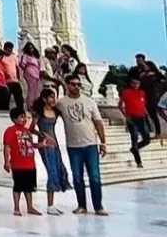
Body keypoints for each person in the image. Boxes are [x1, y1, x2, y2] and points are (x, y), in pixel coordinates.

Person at [55, 73, 108, 216]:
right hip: (73, 146)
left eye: (79, 84)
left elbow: (98, 122)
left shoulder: (89, 101)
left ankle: (98, 206)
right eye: (73, 84)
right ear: (67, 85)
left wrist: (103, 142)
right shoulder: (61, 103)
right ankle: (81, 205)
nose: (77, 87)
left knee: (95, 177)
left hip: (90, 144)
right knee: (77, 177)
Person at [32, 88, 70, 215]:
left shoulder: (55, 111)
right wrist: (43, 135)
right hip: (45, 143)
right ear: (44, 99)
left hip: (55, 143)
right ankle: (50, 205)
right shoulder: (39, 112)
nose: (53, 99)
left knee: (58, 168)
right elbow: (31, 129)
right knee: (51, 171)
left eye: (54, 97)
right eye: (51, 97)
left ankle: (52, 204)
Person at [3, 108, 43, 216]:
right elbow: (7, 147)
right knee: (18, 187)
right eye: (21, 117)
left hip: (30, 164)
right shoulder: (10, 131)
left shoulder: (27, 131)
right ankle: (16, 208)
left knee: (29, 187)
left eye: (25, 116)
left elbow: (31, 145)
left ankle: (30, 207)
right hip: (18, 165)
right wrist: (7, 161)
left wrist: (41, 145)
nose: (24, 119)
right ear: (14, 119)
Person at [120, 75, 152, 167]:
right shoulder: (126, 92)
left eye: (137, 83)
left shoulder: (142, 93)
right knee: (134, 138)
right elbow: (120, 105)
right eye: (134, 83)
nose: (136, 85)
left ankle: (135, 149)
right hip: (132, 118)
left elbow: (143, 105)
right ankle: (139, 162)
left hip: (141, 118)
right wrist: (126, 116)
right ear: (131, 84)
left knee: (147, 139)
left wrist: (147, 116)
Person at [140, 59, 163, 138]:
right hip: (144, 96)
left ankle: (158, 133)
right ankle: (150, 131)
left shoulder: (154, 74)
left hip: (153, 95)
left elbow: (161, 77)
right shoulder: (141, 74)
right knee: (148, 114)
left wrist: (153, 73)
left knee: (153, 114)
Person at [1, 42, 24, 111]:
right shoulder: (2, 58)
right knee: (6, 98)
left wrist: (18, 78)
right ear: (4, 49)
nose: (9, 52)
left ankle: (20, 110)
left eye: (10, 50)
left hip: (15, 81)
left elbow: (17, 68)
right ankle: (4, 111)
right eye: (7, 50)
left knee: (19, 98)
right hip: (6, 82)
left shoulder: (14, 57)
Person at [20, 43, 43, 107]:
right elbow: (22, 65)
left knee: (37, 90)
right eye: (29, 48)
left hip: (36, 73)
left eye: (32, 48)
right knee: (31, 89)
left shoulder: (36, 56)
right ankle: (30, 105)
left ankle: (36, 104)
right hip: (29, 72)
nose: (31, 49)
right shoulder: (25, 56)